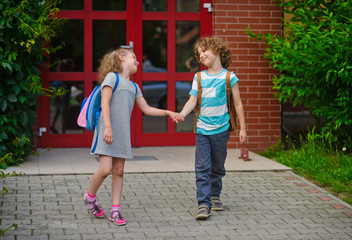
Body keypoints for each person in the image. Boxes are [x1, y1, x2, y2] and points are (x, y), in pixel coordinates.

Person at [83, 48, 179, 226]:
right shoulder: (113, 77)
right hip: (107, 130)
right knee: (105, 170)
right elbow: (104, 101)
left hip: (122, 134)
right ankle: (90, 197)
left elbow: (147, 109)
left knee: (118, 172)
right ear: (121, 58)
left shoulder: (134, 86)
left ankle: (115, 210)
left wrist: (167, 112)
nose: (137, 61)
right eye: (133, 57)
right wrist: (108, 127)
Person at [174, 36, 247, 220]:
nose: (201, 55)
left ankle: (215, 194)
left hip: (221, 130)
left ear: (218, 51)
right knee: (202, 167)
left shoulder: (229, 77)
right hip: (202, 130)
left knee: (217, 167)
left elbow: (237, 104)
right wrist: (182, 113)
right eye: (199, 53)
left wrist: (243, 128)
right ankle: (204, 204)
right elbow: (192, 100)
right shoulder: (199, 77)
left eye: (205, 51)